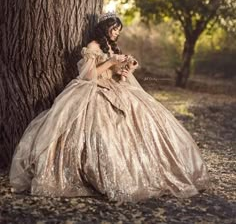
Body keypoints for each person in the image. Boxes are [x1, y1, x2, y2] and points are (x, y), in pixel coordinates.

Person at [9, 11, 210, 202]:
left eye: (118, 31)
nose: (116, 33)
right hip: (93, 89)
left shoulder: (112, 48)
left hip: (116, 88)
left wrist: (125, 69)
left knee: (144, 118)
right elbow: (87, 76)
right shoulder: (93, 47)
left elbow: (118, 76)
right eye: (113, 29)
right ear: (104, 27)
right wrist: (111, 62)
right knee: (99, 126)